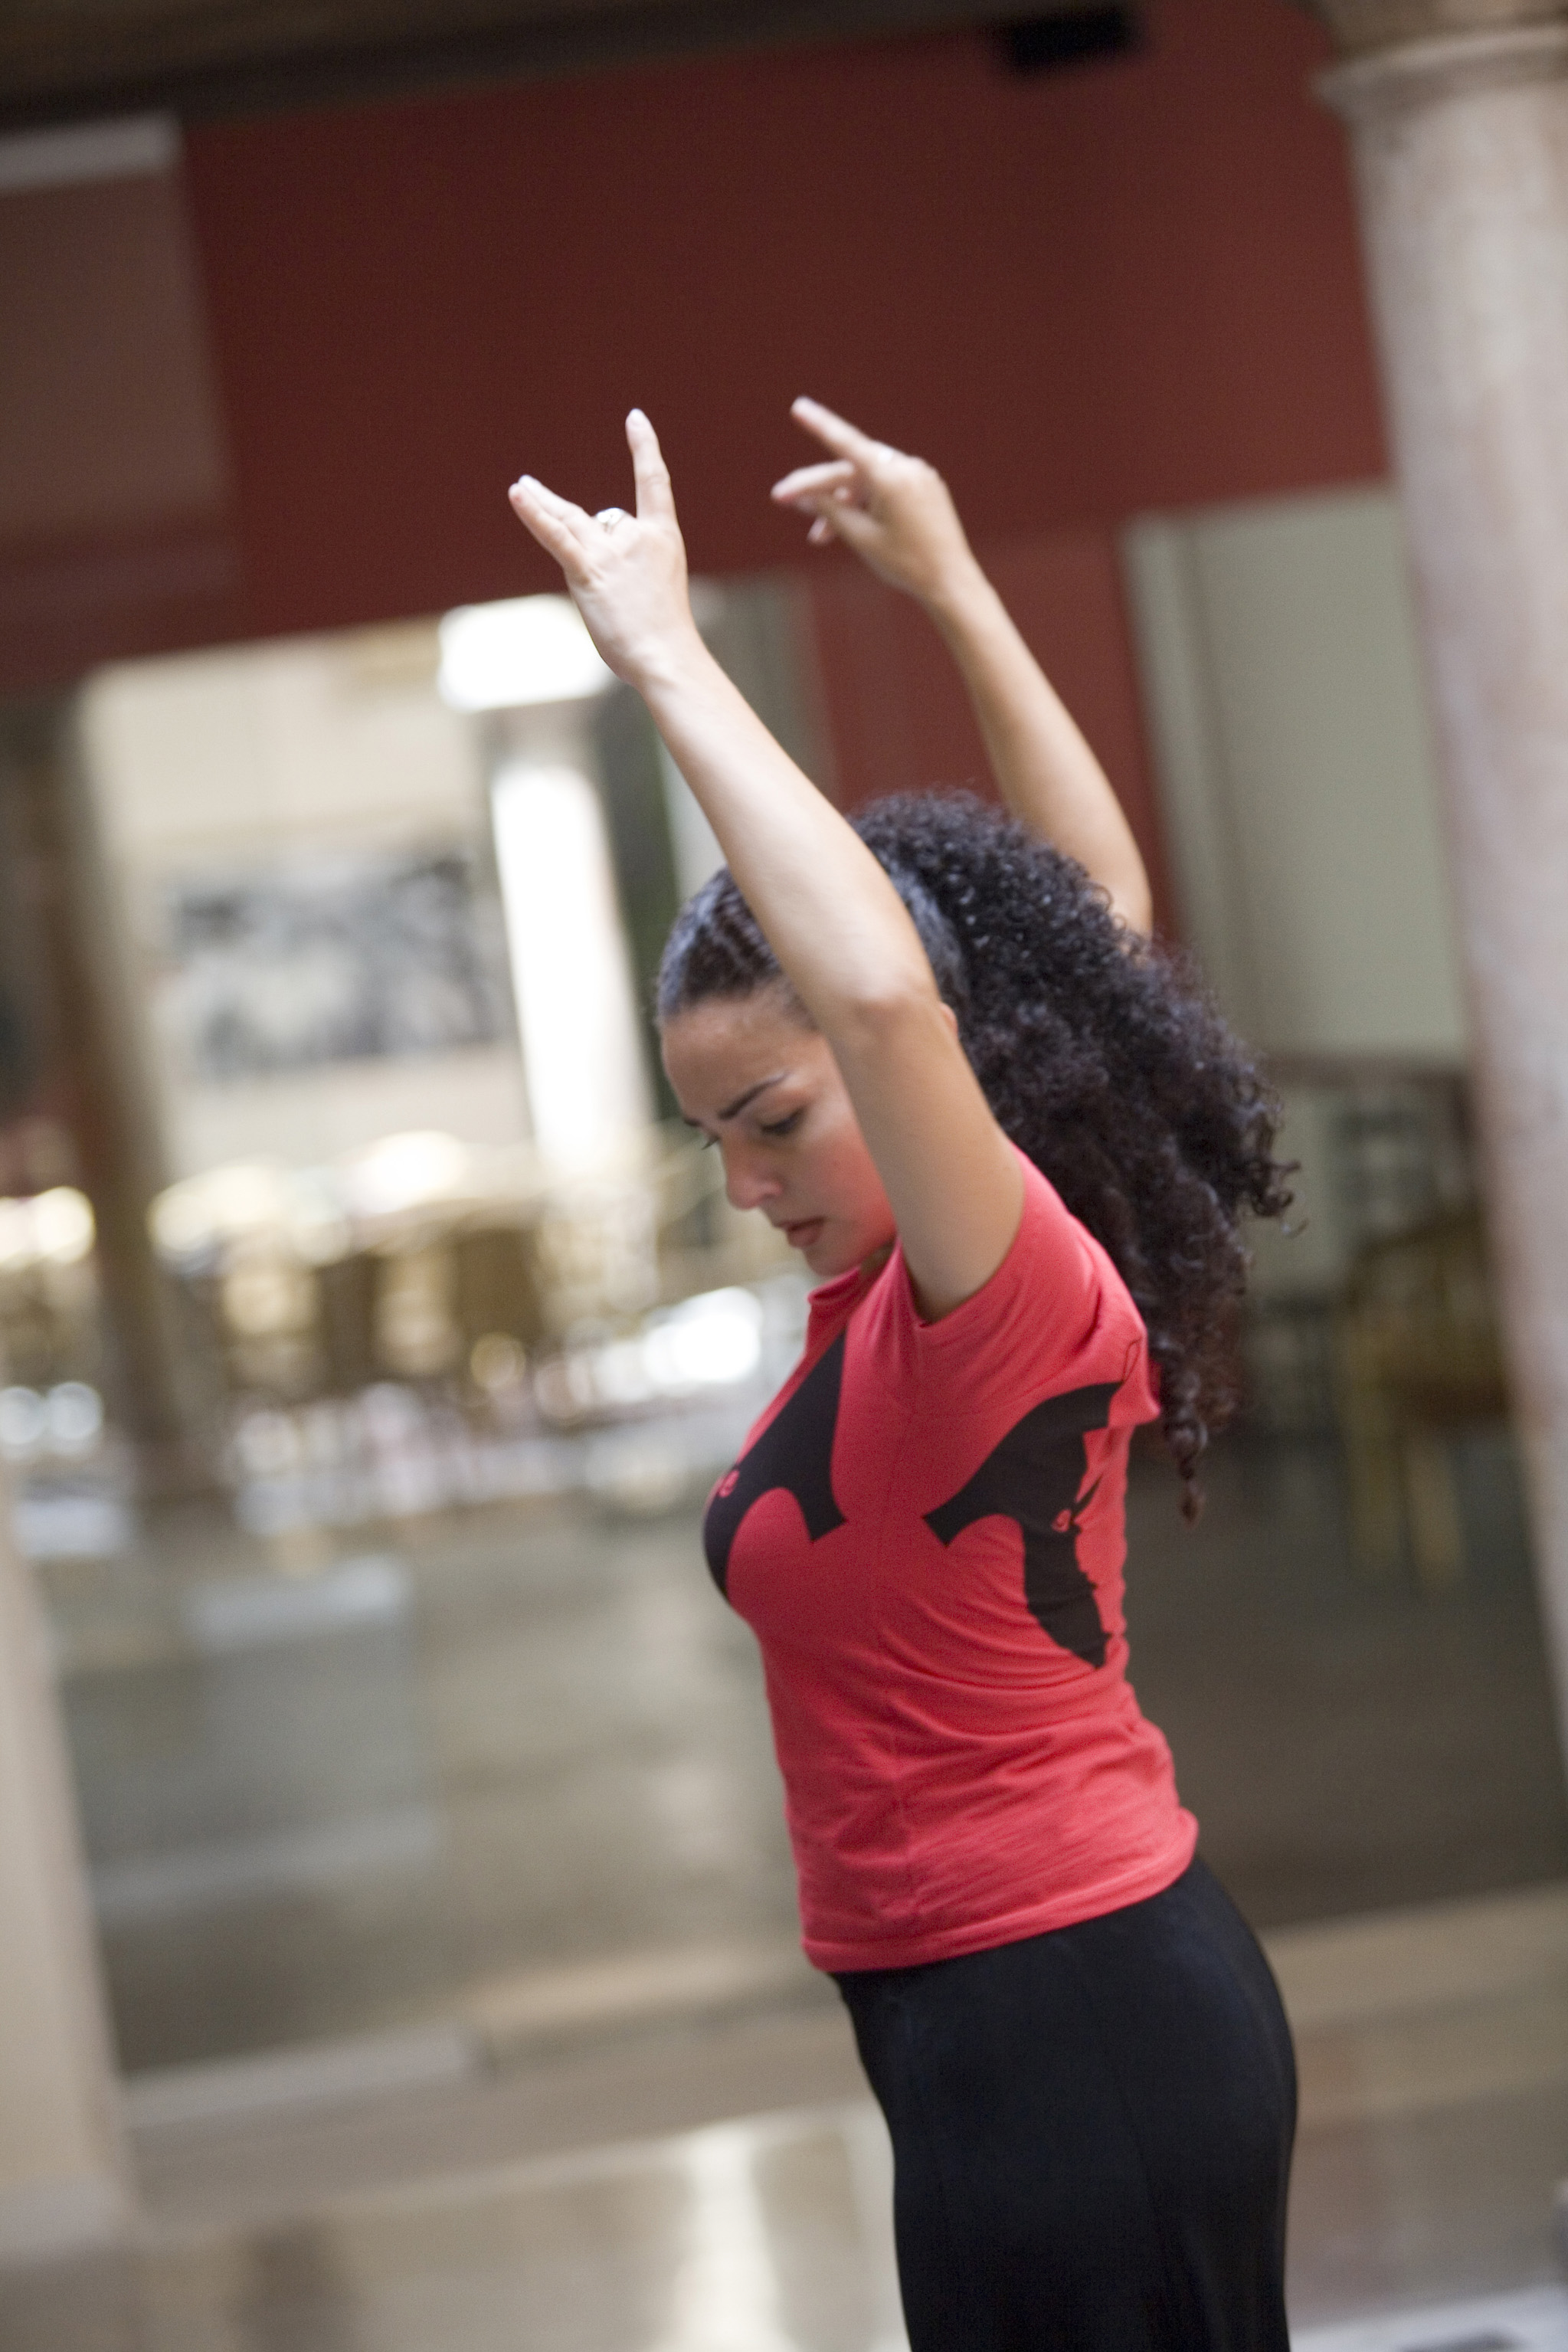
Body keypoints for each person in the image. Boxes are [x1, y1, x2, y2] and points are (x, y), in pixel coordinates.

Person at [509, 400, 1297, 2352]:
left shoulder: (1003, 1287)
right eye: (711, 1138)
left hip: (1081, 2008)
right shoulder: (899, 1275)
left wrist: (667, 658)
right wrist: (949, 583)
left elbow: (876, 990)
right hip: (981, 2028)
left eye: (773, 1118)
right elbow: (1089, 915)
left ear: (905, 1058)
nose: (745, 1182)